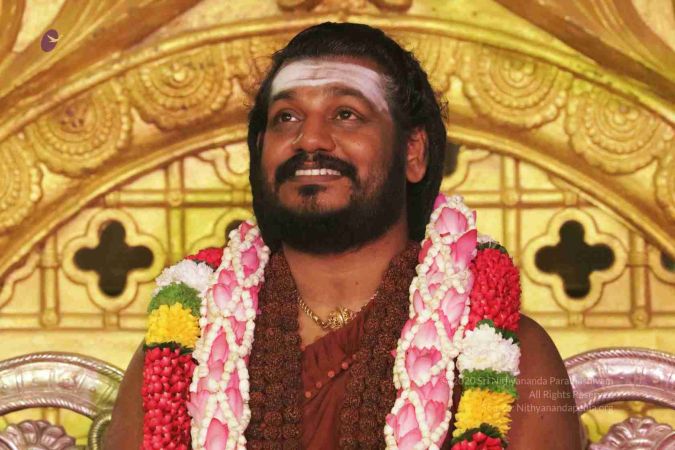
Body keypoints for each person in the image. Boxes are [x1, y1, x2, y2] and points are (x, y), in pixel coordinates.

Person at [105, 22, 581, 449]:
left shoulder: (513, 355)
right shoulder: (183, 349)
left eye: (346, 114)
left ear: (413, 153)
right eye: (286, 117)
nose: (310, 139)